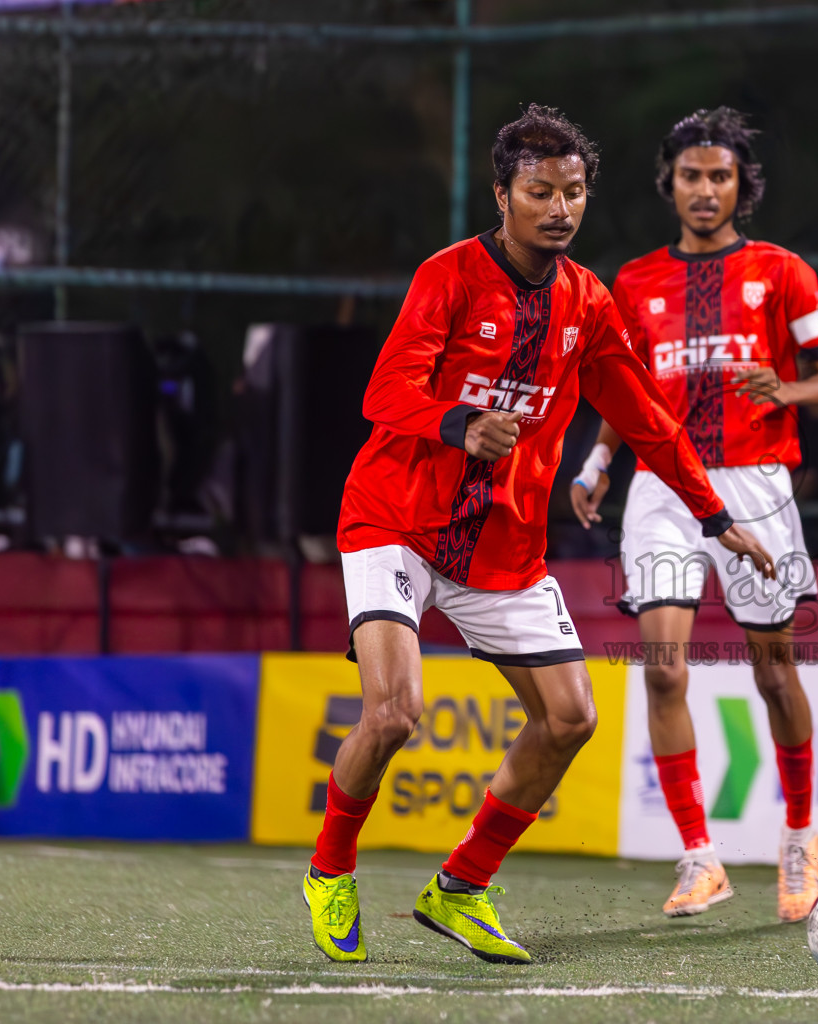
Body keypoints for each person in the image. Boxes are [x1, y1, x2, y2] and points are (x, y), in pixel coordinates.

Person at [304, 105, 774, 965]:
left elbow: (647, 418)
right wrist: (458, 422)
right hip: (397, 518)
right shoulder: (448, 277)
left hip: (502, 548)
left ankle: (462, 885)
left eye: (574, 192)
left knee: (570, 717)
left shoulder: (588, 302)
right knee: (395, 710)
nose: (559, 208)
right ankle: (332, 868)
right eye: (539, 192)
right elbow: (382, 394)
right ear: (503, 195)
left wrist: (715, 517)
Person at [571, 107, 818, 921]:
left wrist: (789, 388)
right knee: (663, 668)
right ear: (671, 184)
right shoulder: (632, 283)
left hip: (758, 485)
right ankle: (701, 858)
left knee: (774, 673)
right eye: (692, 176)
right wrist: (596, 466)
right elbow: (623, 400)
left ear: (741, 187)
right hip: (663, 487)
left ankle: (800, 836)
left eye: (720, 176)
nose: (705, 189)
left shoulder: (782, 271)